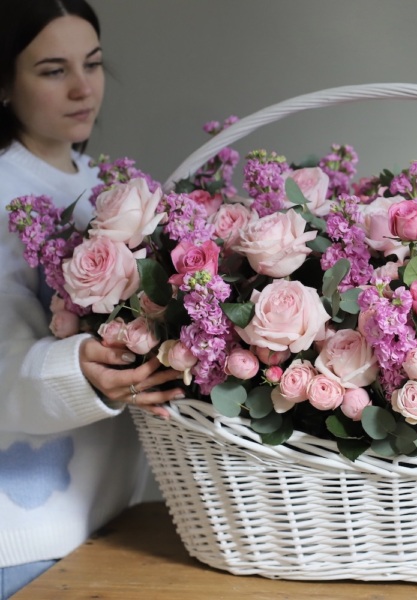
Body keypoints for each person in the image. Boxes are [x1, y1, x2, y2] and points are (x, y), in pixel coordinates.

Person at [0, 1, 185, 597]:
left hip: (112, 522)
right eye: (53, 70)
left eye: (94, 63)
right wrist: (72, 371)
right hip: (24, 541)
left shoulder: (103, 187)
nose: (83, 88)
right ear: (4, 82)